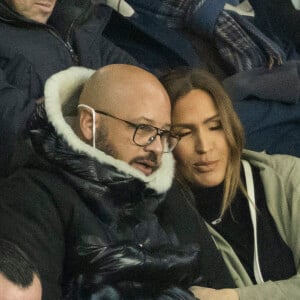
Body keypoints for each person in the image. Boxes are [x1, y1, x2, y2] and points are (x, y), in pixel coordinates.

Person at [0, 64, 212, 299]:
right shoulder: (32, 195)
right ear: (90, 124)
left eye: (163, 134)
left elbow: (216, 283)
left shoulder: (165, 194)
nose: (156, 148)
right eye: (143, 129)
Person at [160, 68, 300, 300]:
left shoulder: (288, 178)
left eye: (215, 126)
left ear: (231, 126)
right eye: (184, 132)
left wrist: (233, 297)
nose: (204, 146)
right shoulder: (167, 221)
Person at [0, 0, 137, 177]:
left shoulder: (76, 24)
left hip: (108, 170)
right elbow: (13, 123)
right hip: (42, 179)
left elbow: (143, 84)